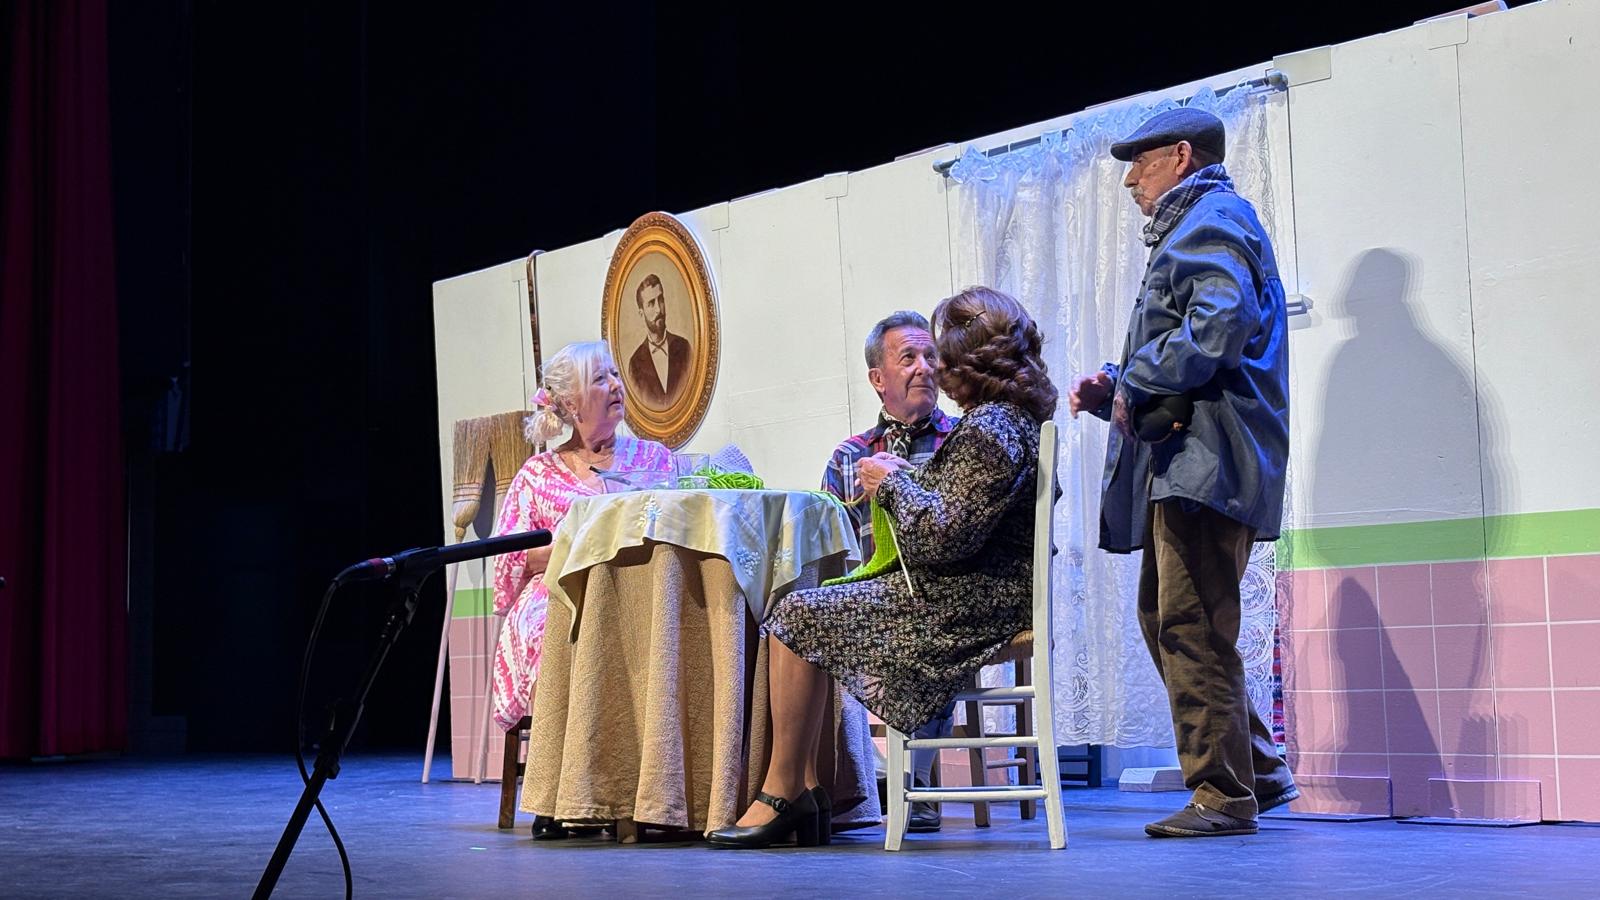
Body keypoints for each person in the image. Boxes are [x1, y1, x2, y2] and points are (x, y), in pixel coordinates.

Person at [708, 287, 1057, 849]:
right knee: (802, 611)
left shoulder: (988, 428)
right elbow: (960, 513)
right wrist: (905, 481)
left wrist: (890, 483)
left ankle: (787, 791)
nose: (933, 366)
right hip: (973, 594)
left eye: (940, 352)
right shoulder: (1006, 422)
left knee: (793, 615)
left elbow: (945, 535)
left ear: (965, 358)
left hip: (965, 605)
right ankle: (802, 786)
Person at [1066, 107, 1298, 838]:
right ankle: (1258, 768)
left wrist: (1133, 379)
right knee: (1168, 618)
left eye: (1140, 162)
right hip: (1197, 460)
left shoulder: (1211, 220)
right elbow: (1193, 335)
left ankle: (1223, 793)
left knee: (1190, 625)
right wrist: (1118, 387)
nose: (1130, 179)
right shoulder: (1200, 224)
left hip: (1208, 463)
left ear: (1181, 155)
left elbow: (1218, 327)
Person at [489, 340, 670, 836]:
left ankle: (649, 790)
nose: (615, 386)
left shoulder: (654, 460)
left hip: (637, 590)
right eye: (599, 379)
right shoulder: (536, 475)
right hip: (560, 593)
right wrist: (576, 550)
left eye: (615, 375)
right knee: (565, 625)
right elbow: (509, 559)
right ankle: (558, 793)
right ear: (569, 403)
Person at [820, 310, 957, 833]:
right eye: (909, 357)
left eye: (931, 356)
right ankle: (843, 781)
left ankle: (914, 783)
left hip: (940, 596)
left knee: (931, 621)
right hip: (871, 598)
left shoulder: (960, 443)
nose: (925, 367)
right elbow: (830, 545)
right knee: (799, 622)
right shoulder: (849, 456)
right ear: (878, 378)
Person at [626, 274, 692, 405]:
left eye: (660, 300)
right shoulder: (635, 365)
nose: (658, 309)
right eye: (651, 304)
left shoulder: (684, 348)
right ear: (641, 313)